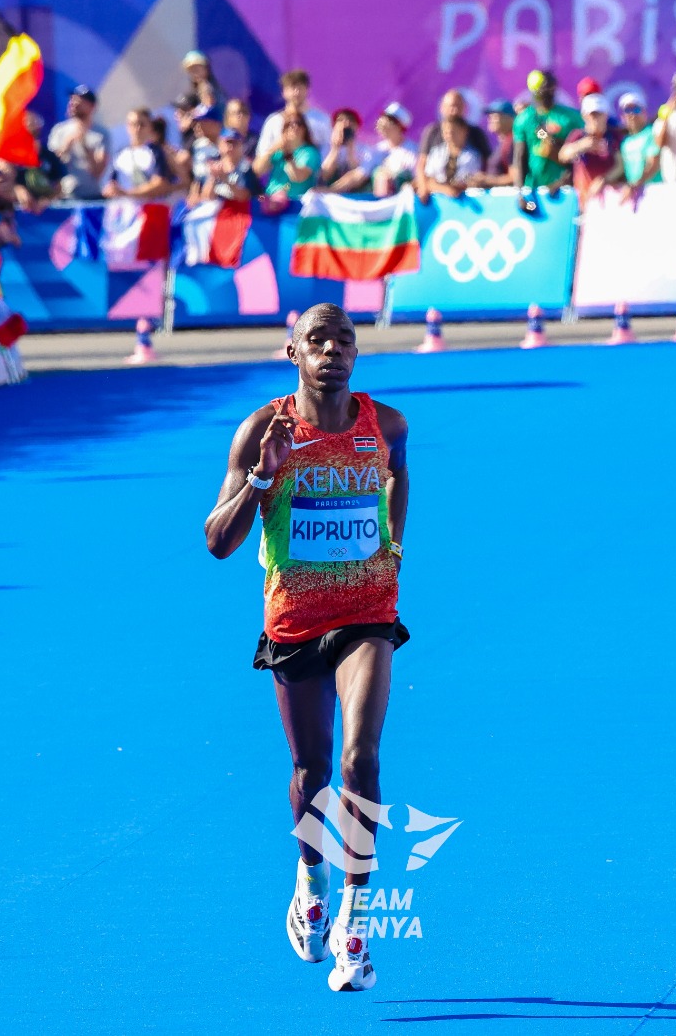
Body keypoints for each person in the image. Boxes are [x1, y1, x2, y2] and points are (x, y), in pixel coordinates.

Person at [203, 301, 409, 995]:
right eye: (316, 340)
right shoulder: (263, 429)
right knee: (311, 770)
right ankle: (310, 879)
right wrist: (263, 477)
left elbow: (397, 472)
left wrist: (394, 541)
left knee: (361, 758)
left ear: (356, 352)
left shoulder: (386, 424)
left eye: (342, 340)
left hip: (367, 613)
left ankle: (356, 928)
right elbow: (217, 542)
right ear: (292, 351)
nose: (331, 350)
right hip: (294, 620)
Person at [510, 69, 583, 194]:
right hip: (533, 188)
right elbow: (520, 156)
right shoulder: (525, 118)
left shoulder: (570, 117)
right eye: (542, 88)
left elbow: (580, 153)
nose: (546, 92)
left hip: (566, 189)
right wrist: (521, 193)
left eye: (549, 87)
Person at [47, 85, 110, 200]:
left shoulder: (101, 134)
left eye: (80, 100)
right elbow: (51, 164)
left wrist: (85, 145)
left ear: (92, 106)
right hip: (65, 195)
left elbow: (98, 172)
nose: (74, 103)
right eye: (72, 99)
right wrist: (67, 144)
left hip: (91, 196)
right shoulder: (59, 131)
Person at [257, 69, 332, 163]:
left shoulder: (322, 120)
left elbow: (329, 150)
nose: (296, 92)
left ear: (307, 90)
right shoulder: (274, 121)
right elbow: (262, 154)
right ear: (283, 92)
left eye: (300, 88)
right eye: (292, 88)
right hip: (281, 174)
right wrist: (280, 145)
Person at [557, 94, 620, 204]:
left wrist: (604, 179)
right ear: (584, 116)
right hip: (583, 198)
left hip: (610, 199)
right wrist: (580, 146)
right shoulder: (578, 136)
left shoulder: (613, 137)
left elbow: (620, 165)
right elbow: (563, 155)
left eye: (598, 114)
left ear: (605, 115)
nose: (595, 119)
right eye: (592, 115)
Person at [103, 108, 176, 199]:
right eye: (132, 124)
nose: (137, 129)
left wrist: (128, 193)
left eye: (141, 125)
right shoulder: (120, 153)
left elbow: (160, 184)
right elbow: (112, 183)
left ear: (150, 127)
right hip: (124, 208)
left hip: (149, 208)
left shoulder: (156, 151)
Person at [254, 110, 320, 199]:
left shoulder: (310, 152)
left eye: (298, 123)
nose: (294, 127)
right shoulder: (277, 151)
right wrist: (272, 149)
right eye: (289, 124)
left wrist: (288, 155)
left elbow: (298, 177)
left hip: (296, 201)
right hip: (271, 199)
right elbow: (257, 170)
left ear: (304, 129)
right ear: (284, 130)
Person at [417, 114, 482, 201]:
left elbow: (469, 182)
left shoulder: (472, 156)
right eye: (446, 132)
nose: (449, 136)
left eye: (453, 132)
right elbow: (429, 180)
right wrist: (444, 189)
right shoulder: (437, 153)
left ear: (464, 131)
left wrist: (454, 187)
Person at [416, 90, 493, 162]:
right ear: (442, 108)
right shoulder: (432, 131)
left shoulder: (476, 133)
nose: (455, 110)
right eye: (452, 106)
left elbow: (486, 161)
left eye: (458, 106)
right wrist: (422, 176)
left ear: (465, 108)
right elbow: (422, 160)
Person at [363, 103, 418, 196]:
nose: (384, 123)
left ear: (399, 126)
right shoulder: (377, 149)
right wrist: (333, 189)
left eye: (390, 121)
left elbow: (418, 179)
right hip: (378, 204)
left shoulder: (413, 151)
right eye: (383, 119)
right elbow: (360, 174)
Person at [197, 128, 264, 201]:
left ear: (241, 146)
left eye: (235, 143)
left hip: (241, 209)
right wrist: (213, 178)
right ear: (220, 145)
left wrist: (225, 179)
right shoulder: (214, 165)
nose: (231, 147)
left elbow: (245, 197)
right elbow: (206, 197)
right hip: (219, 208)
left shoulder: (245, 169)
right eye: (227, 143)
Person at [616, 92, 661, 191]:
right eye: (627, 110)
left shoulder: (652, 133)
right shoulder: (625, 142)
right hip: (636, 194)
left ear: (644, 113)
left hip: (654, 191)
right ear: (622, 116)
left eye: (636, 109)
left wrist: (636, 184)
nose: (632, 114)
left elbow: (654, 165)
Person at [320, 108, 370, 193]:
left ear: (357, 126)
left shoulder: (364, 149)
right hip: (329, 184)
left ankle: (329, 191)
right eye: (341, 120)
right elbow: (324, 175)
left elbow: (359, 175)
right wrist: (335, 149)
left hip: (355, 191)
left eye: (351, 120)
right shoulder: (325, 147)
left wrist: (350, 150)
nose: (346, 123)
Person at [471, 98, 517, 185]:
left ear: (509, 118)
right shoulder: (504, 142)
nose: (490, 119)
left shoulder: (513, 142)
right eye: (489, 116)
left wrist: (486, 180)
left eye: (495, 116)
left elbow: (515, 177)